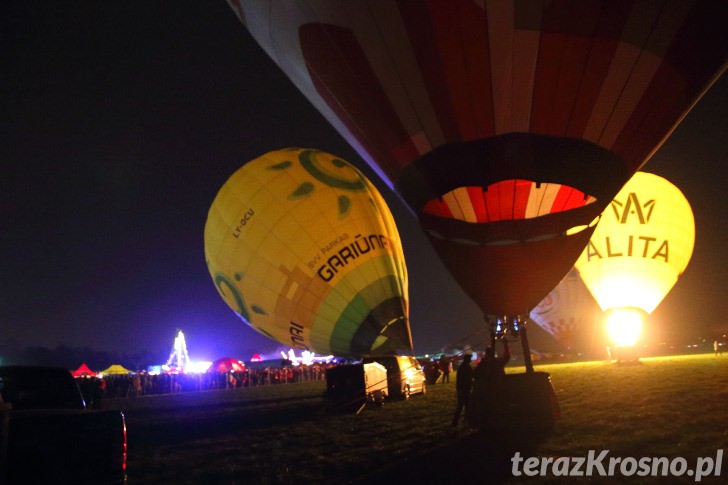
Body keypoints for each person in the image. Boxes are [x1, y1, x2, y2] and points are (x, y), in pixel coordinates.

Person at [451, 353, 474, 427]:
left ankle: (462, 421)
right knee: (462, 406)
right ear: (467, 359)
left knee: (464, 406)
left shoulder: (463, 367)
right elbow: (469, 377)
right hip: (464, 389)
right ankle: (458, 421)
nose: (470, 360)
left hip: (463, 389)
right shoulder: (465, 367)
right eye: (470, 358)